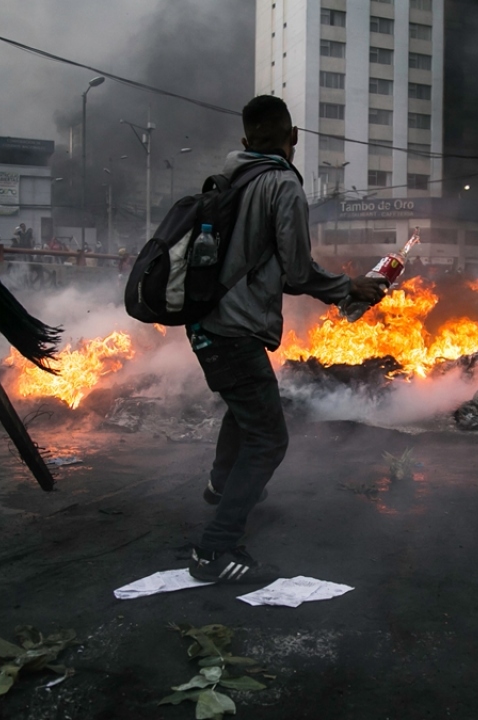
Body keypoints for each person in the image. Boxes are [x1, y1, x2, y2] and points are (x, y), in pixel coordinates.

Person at [185, 95, 387, 584]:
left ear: (244, 140)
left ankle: (220, 485)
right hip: (236, 329)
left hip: (204, 322)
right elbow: (297, 271)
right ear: (292, 137)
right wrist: (349, 288)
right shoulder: (282, 185)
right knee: (270, 439)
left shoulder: (227, 178)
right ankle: (215, 550)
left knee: (246, 406)